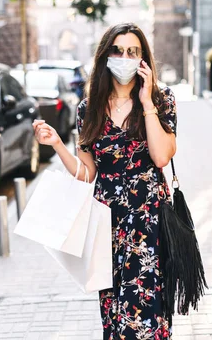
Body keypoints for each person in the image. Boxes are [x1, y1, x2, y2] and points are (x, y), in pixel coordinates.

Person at [33, 22, 177, 339]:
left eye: (132, 51)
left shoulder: (161, 100)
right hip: (107, 227)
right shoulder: (90, 109)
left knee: (146, 320)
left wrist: (147, 103)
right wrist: (57, 143)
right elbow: (88, 174)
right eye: (118, 50)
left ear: (143, 59)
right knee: (114, 320)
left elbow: (162, 156)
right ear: (105, 56)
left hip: (148, 223)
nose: (124, 57)